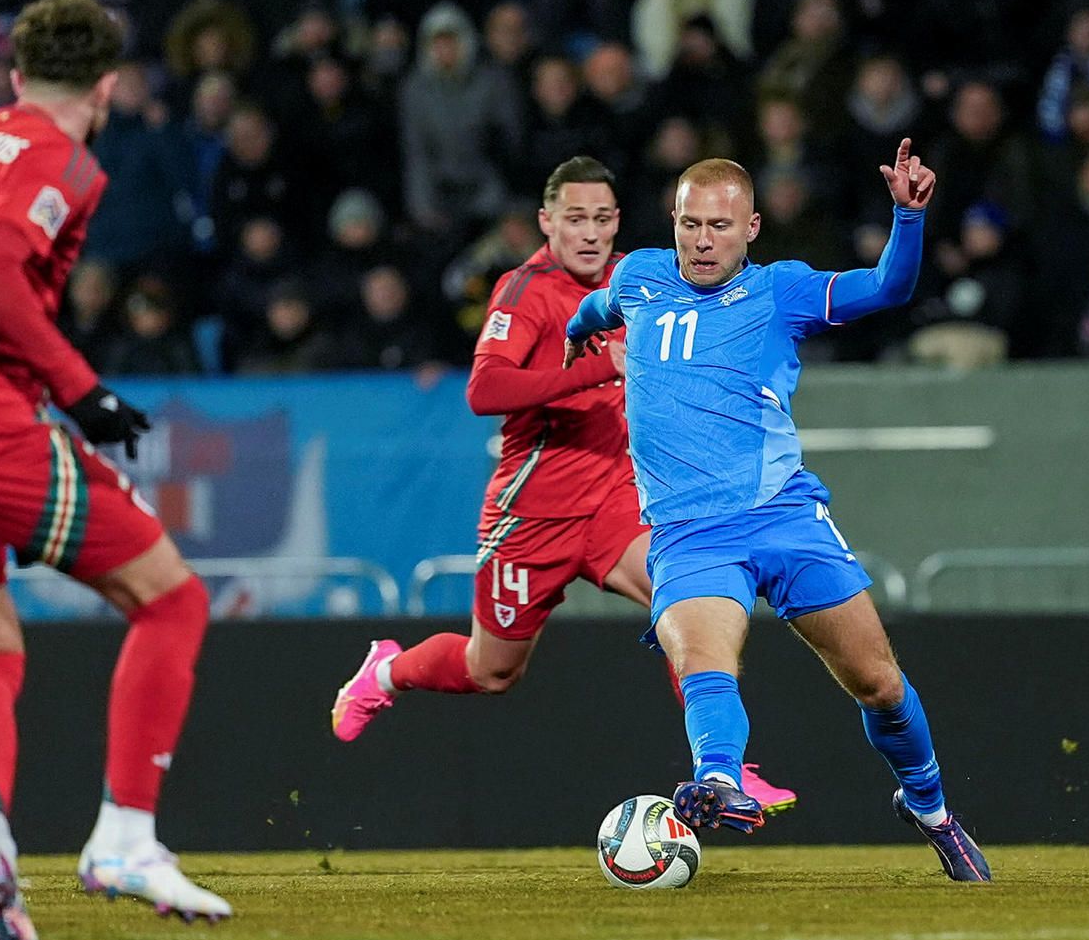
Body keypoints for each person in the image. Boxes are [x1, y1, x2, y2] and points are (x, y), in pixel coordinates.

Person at [0, 0, 230, 940]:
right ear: (109, 87)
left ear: (13, 76)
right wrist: (83, 392)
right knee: (171, 600)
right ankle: (124, 835)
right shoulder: (65, 160)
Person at [562, 141, 990, 882]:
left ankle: (930, 809)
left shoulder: (780, 291)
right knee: (702, 658)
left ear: (752, 228)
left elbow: (888, 287)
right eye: (690, 224)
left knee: (879, 683)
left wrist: (908, 217)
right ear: (673, 222)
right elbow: (596, 305)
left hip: (783, 515)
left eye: (720, 227)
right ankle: (719, 779)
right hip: (689, 531)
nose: (702, 240)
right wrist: (579, 336)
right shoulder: (637, 276)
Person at [329, 157, 797, 815]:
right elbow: (484, 390)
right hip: (532, 512)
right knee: (491, 669)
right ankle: (386, 671)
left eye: (602, 218)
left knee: (686, 605)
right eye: (574, 219)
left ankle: (723, 769)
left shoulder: (642, 277)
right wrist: (595, 367)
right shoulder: (525, 292)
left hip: (615, 500)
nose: (589, 233)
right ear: (546, 222)